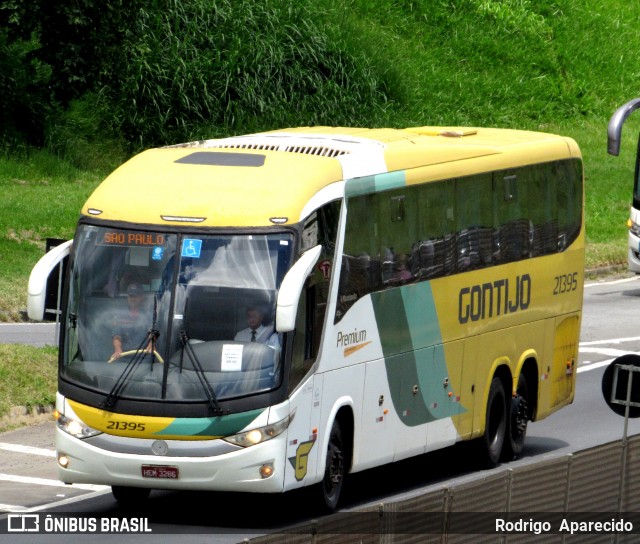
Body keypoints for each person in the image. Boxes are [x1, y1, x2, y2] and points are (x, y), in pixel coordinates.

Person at [110, 283, 153, 360]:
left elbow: (153, 333)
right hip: (124, 357)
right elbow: (116, 336)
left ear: (141, 297)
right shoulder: (120, 316)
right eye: (131, 296)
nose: (133, 299)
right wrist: (117, 349)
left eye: (136, 296)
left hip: (144, 357)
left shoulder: (148, 315)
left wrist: (151, 344)